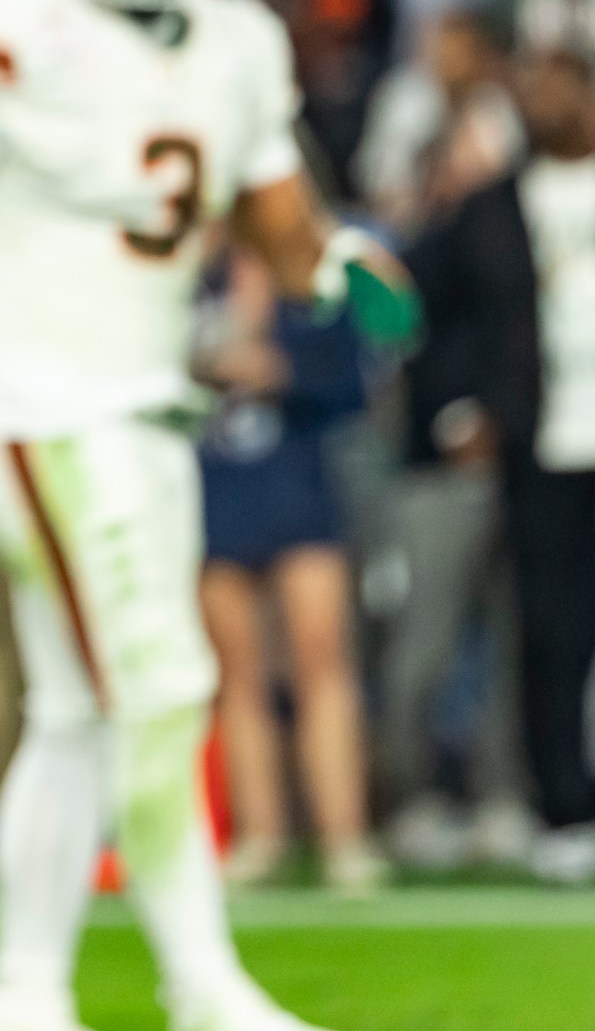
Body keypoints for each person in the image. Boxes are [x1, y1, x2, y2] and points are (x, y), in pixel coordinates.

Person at [0, 0, 420, 1031]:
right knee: (161, 684)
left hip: (146, 412)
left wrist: (336, 262)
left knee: (76, 708)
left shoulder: (239, 41)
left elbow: (278, 216)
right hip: (35, 406)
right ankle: (202, 979)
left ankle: (24, 989)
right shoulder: (13, 27)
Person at [403, 45, 595, 887]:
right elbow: (430, 318)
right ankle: (564, 809)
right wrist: (460, 410)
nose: (554, 103)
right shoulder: (486, 213)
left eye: (568, 87)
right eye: (537, 88)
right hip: (546, 443)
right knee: (552, 630)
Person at [193, 248, 380, 893]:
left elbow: (353, 382)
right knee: (235, 673)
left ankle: (344, 836)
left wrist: (281, 373)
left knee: (321, 660)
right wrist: (205, 369)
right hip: (215, 481)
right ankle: (260, 835)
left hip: (298, 483)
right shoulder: (192, 278)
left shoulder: (314, 280)